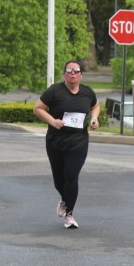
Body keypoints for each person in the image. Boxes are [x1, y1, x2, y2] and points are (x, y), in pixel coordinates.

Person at [33, 60, 100, 229]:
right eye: (69, 71)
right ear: (64, 74)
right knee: (59, 180)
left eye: (76, 71)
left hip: (78, 142)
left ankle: (69, 215)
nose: (72, 74)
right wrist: (52, 121)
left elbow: (95, 106)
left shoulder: (87, 92)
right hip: (55, 142)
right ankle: (65, 199)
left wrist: (94, 118)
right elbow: (38, 108)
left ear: (81, 75)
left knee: (71, 176)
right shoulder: (54, 91)